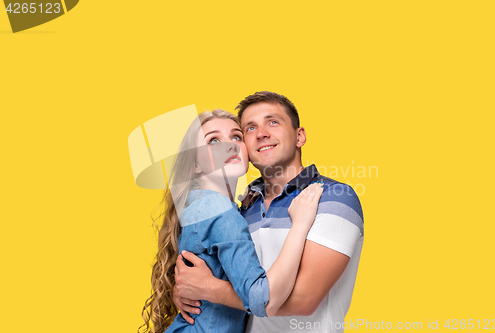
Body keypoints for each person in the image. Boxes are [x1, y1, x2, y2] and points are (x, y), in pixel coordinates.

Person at [174, 92, 364, 333]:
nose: (262, 133)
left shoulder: (332, 197)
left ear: (299, 136)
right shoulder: (243, 206)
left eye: (273, 122)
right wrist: (185, 291)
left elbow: (304, 301)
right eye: (250, 128)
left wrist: (207, 289)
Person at [138, 109, 324, 333]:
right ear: (195, 163)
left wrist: (204, 289)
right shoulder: (219, 210)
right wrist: (300, 225)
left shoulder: (201, 207)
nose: (230, 145)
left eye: (236, 137)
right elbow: (263, 299)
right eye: (213, 140)